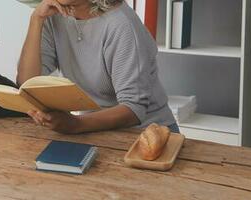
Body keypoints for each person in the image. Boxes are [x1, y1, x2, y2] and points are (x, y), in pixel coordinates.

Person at [18, 0, 178, 133]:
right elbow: (27, 84)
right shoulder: (52, 16)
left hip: (147, 134)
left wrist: (75, 124)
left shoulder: (121, 24)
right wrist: (36, 19)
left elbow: (134, 109)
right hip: (95, 132)